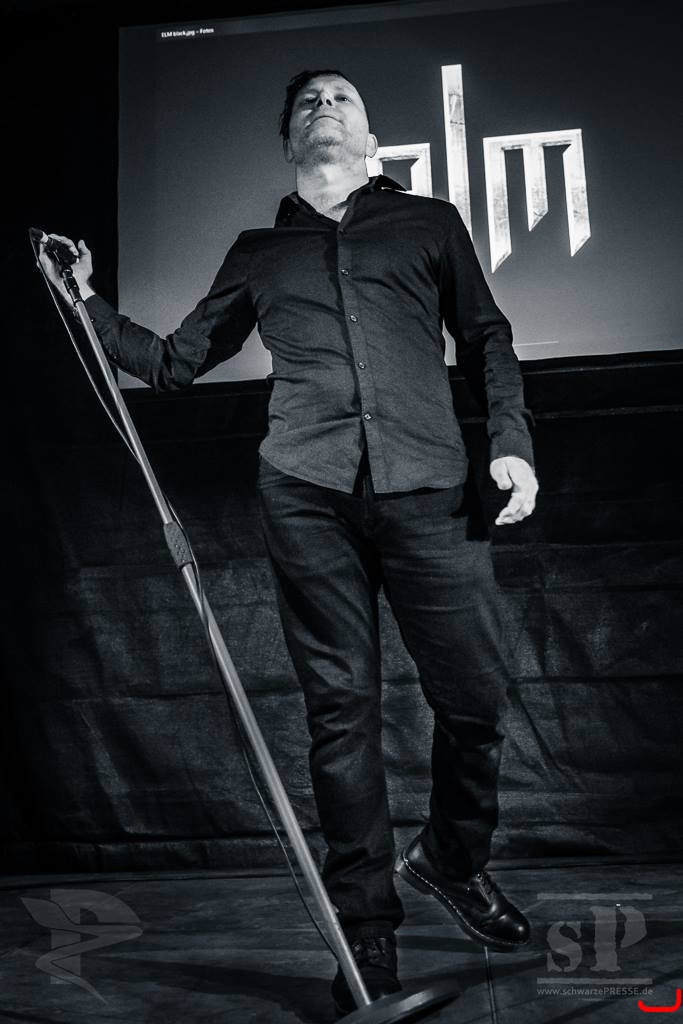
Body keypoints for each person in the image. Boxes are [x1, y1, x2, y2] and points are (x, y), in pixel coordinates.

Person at [41, 68, 539, 1015]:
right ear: (287, 143)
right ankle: (367, 931)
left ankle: (450, 857)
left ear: (372, 139)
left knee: (475, 700)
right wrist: (86, 299)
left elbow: (486, 339)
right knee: (341, 715)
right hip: (307, 493)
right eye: (308, 101)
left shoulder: (429, 224)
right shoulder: (258, 252)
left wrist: (509, 443)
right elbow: (175, 364)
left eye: (342, 98)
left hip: (432, 488)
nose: (323, 106)